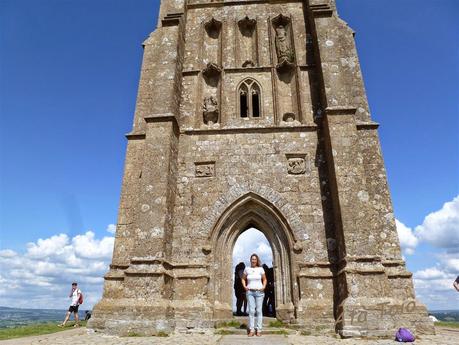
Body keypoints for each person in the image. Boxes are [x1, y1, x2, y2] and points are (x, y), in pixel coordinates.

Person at [242, 253, 267, 337]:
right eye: (252, 259)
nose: (253, 261)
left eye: (255, 259)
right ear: (250, 260)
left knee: (259, 311)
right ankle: (252, 330)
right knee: (252, 311)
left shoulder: (260, 269)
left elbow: (264, 279)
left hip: (259, 292)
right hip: (250, 292)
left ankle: (259, 330)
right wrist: (245, 286)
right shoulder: (247, 269)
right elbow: (243, 278)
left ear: (257, 260)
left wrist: (263, 287)